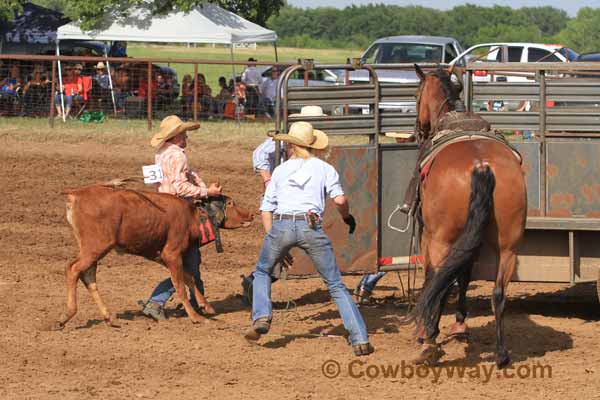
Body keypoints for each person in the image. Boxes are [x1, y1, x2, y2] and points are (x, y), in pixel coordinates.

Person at [244, 121, 374, 357]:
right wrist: (347, 218)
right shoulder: (325, 168)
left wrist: (274, 240)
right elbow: (341, 201)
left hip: (281, 224)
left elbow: (266, 209)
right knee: (334, 284)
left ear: (291, 145)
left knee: (262, 271)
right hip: (311, 225)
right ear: (313, 144)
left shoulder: (280, 171)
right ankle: (360, 338)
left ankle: (262, 316)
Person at [141, 115, 222, 321]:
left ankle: (197, 301)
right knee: (189, 261)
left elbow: (158, 181)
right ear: (177, 136)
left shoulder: (160, 153)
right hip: (178, 212)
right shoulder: (178, 156)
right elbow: (180, 186)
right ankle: (157, 301)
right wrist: (206, 192)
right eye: (184, 133)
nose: (186, 136)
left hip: (161, 208)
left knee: (189, 259)